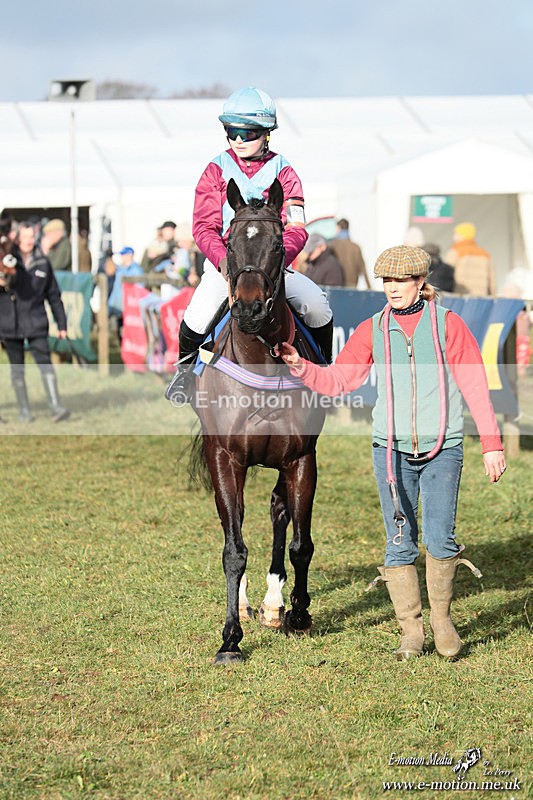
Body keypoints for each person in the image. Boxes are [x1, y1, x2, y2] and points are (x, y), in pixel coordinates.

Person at [280, 245, 506, 660]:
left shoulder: (448, 325)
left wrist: (491, 444)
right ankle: (411, 632)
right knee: (399, 541)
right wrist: (300, 365)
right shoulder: (373, 329)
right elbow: (339, 380)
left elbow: (475, 386)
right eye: (386, 280)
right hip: (390, 452)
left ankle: (442, 623)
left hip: (443, 448)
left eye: (401, 280)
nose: (393, 288)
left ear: (421, 282)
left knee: (440, 539)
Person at [167, 86, 334, 398]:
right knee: (197, 316)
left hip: (272, 265)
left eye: (248, 133)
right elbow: (204, 226)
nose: (239, 140)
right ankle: (184, 376)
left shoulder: (284, 171)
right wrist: (224, 262)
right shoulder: (215, 170)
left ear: (267, 134)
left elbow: (297, 228)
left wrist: (278, 259)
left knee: (316, 307)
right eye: (232, 132)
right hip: (226, 265)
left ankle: (324, 372)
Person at [0, 222, 70, 422]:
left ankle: (56, 407)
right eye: (25, 237)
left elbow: (54, 295)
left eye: (31, 237)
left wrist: (62, 324)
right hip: (11, 323)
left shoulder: (43, 262)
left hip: (35, 322)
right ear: (17, 239)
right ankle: (24, 411)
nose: (28, 241)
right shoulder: (6, 259)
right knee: (17, 369)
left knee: (45, 365)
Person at [444, 222, 496, 296]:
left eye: (456, 234)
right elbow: (492, 280)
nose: (453, 237)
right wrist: (492, 295)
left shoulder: (455, 252)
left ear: (462, 235)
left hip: (460, 295)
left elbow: (446, 274)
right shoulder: (485, 254)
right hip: (481, 297)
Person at [107, 246, 144, 340]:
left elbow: (139, 288)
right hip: (117, 305)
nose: (121, 257)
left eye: (123, 255)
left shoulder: (136, 270)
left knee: (129, 332)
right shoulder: (120, 269)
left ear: (130, 255)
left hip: (129, 306)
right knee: (119, 330)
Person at [329, 218, 371, 288]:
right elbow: (362, 268)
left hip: (337, 283)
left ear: (338, 228)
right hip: (352, 284)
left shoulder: (332, 245)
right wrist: (369, 287)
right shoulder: (356, 247)